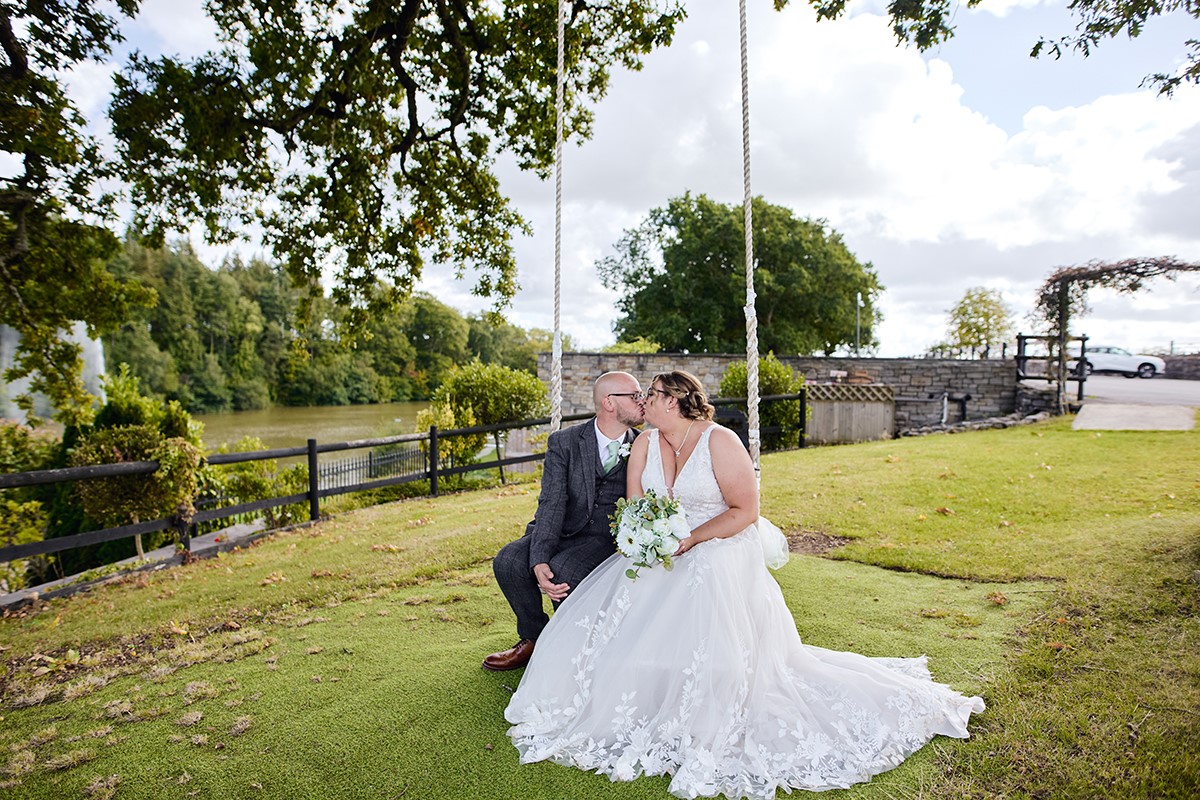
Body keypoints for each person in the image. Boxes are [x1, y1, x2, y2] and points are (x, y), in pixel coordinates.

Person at [504, 370, 985, 799]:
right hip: (661, 546)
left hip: (715, 541)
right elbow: (636, 507)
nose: (643, 402)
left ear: (672, 400)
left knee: (705, 579)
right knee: (626, 591)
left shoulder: (720, 441)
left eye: (650, 394)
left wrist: (690, 539)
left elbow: (744, 512)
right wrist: (642, 539)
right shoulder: (644, 444)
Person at [483, 371, 645, 671]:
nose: (642, 401)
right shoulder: (565, 442)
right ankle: (534, 638)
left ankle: (575, 647)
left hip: (606, 537)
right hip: (562, 528)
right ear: (609, 403)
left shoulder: (644, 444)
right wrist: (539, 557)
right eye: (634, 395)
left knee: (564, 571)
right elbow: (552, 501)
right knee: (509, 560)